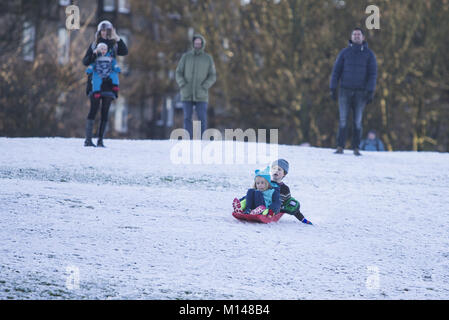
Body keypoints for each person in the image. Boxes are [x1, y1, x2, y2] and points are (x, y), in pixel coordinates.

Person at [330, 27, 378, 156]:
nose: (356, 36)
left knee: (357, 121)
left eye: (359, 35)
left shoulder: (369, 54)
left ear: (363, 37)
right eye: (354, 34)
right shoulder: (344, 53)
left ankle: (356, 148)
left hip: (361, 93)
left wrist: (370, 91)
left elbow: (372, 74)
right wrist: (333, 87)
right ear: (351, 37)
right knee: (343, 120)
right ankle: (340, 146)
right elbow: (336, 71)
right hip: (344, 91)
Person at [82, 20, 128, 148]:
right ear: (98, 32)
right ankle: (88, 139)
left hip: (108, 83)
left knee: (105, 111)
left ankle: (100, 140)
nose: (104, 33)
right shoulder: (94, 45)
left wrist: (117, 37)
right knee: (93, 109)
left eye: (107, 31)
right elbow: (85, 62)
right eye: (102, 30)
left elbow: (124, 51)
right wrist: (94, 54)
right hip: (95, 82)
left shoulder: (114, 45)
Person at [175, 34, 216, 139]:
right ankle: (187, 138)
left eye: (199, 43)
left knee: (202, 117)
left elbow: (212, 76)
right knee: (187, 117)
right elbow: (178, 72)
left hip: (201, 94)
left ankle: (203, 138)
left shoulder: (208, 59)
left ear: (202, 44)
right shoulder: (186, 57)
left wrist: (205, 86)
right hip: (187, 93)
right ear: (193, 44)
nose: (197, 44)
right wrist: (182, 84)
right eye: (196, 42)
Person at [270, 159, 313, 225]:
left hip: (276, 208)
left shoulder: (285, 188)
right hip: (262, 204)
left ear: (284, 174)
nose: (276, 171)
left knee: (292, 204)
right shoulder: (265, 183)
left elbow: (288, 202)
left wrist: (302, 219)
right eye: (274, 168)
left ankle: (303, 219)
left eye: (279, 169)